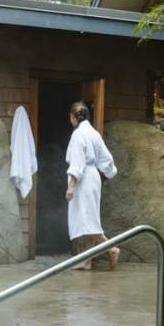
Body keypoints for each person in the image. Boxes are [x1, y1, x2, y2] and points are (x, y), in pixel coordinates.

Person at [65, 101, 119, 270]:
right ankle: (86, 261)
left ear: (74, 117)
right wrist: (108, 172)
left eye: (71, 117)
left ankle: (111, 248)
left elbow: (78, 163)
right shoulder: (94, 133)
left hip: (83, 179)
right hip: (93, 177)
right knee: (86, 220)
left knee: (87, 221)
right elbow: (107, 160)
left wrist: (71, 186)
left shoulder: (78, 134)